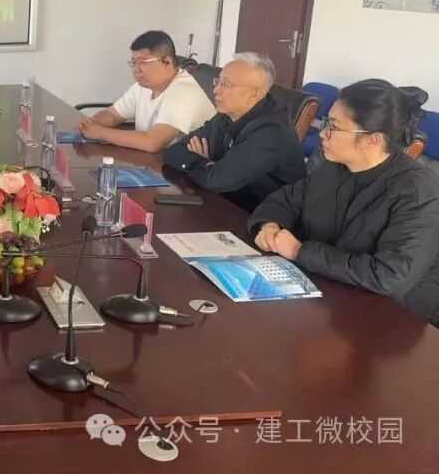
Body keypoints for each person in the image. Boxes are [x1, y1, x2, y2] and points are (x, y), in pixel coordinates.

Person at [249, 79, 439, 325]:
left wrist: (299, 251)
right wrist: (269, 225)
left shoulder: (417, 191)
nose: (322, 134)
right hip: (327, 296)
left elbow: (390, 277)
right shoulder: (334, 167)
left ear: (373, 139)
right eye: (326, 122)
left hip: (390, 319)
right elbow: (284, 200)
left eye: (334, 127)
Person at [162, 52, 305, 211]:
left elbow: (216, 180)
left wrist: (205, 166)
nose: (216, 90)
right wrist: (206, 166)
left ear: (254, 94)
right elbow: (173, 152)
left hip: (262, 218)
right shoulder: (226, 115)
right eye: (218, 81)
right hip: (226, 203)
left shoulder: (272, 132)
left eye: (226, 84)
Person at [75, 31, 215, 153]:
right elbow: (112, 114)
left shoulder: (184, 91)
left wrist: (100, 133)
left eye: (142, 62)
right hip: (154, 162)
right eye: (133, 62)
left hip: (191, 170)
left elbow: (153, 143)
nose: (136, 69)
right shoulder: (143, 86)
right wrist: (89, 125)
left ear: (167, 62)